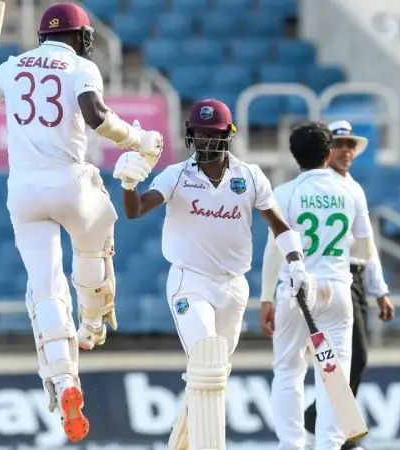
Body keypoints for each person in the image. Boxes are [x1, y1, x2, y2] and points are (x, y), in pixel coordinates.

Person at [0, 2, 163, 443]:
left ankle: (66, 383)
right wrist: (139, 139)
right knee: (95, 241)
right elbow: (97, 117)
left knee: (45, 291)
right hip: (70, 181)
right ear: (80, 36)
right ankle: (93, 324)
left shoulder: (10, 66)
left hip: (22, 192)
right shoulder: (81, 67)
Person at [114, 99, 309, 450]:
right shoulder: (176, 175)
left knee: (216, 373)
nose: (206, 141)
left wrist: (295, 262)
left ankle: (180, 443)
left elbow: (280, 225)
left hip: (233, 287)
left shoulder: (249, 176)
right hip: (190, 282)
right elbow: (137, 211)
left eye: (214, 134)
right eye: (200, 135)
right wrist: (128, 185)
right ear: (191, 136)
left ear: (228, 135)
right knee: (206, 358)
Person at [259, 121, 377, 450]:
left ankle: (292, 445)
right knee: (332, 374)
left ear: (295, 156)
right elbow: (365, 251)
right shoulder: (351, 192)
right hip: (338, 290)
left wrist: (266, 297)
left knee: (288, 371)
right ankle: (329, 445)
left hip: (297, 291)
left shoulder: (284, 193)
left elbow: (274, 249)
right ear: (329, 153)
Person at [293, 120, 395, 450]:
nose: (347, 152)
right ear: (326, 150)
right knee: (335, 358)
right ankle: (330, 429)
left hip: (351, 279)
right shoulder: (311, 187)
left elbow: (367, 246)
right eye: (340, 145)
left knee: (353, 360)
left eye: (351, 145)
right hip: (321, 279)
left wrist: (379, 289)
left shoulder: (353, 189)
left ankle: (325, 423)